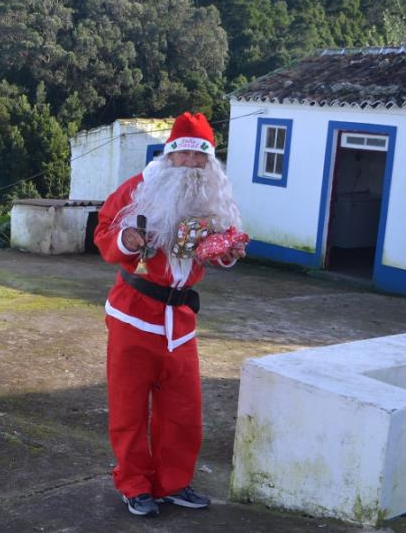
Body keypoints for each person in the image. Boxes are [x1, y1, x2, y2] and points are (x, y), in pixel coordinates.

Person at [93, 111, 246, 517]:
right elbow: (104, 231)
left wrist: (227, 255)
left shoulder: (212, 200)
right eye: (185, 156)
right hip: (133, 316)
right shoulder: (138, 189)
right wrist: (127, 238)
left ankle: (172, 483)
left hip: (180, 323)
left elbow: (217, 250)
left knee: (183, 412)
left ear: (209, 163)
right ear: (170, 156)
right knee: (128, 408)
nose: (193, 165)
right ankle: (134, 485)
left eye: (201, 158)